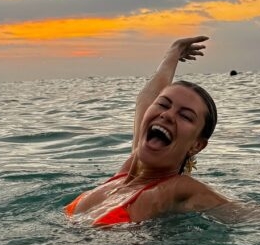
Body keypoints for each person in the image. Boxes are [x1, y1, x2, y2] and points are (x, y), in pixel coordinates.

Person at [64, 36, 230, 226]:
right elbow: (147, 97)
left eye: (185, 116)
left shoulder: (178, 189)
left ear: (197, 145)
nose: (167, 115)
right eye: (163, 104)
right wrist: (174, 52)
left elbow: (251, 216)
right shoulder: (128, 171)